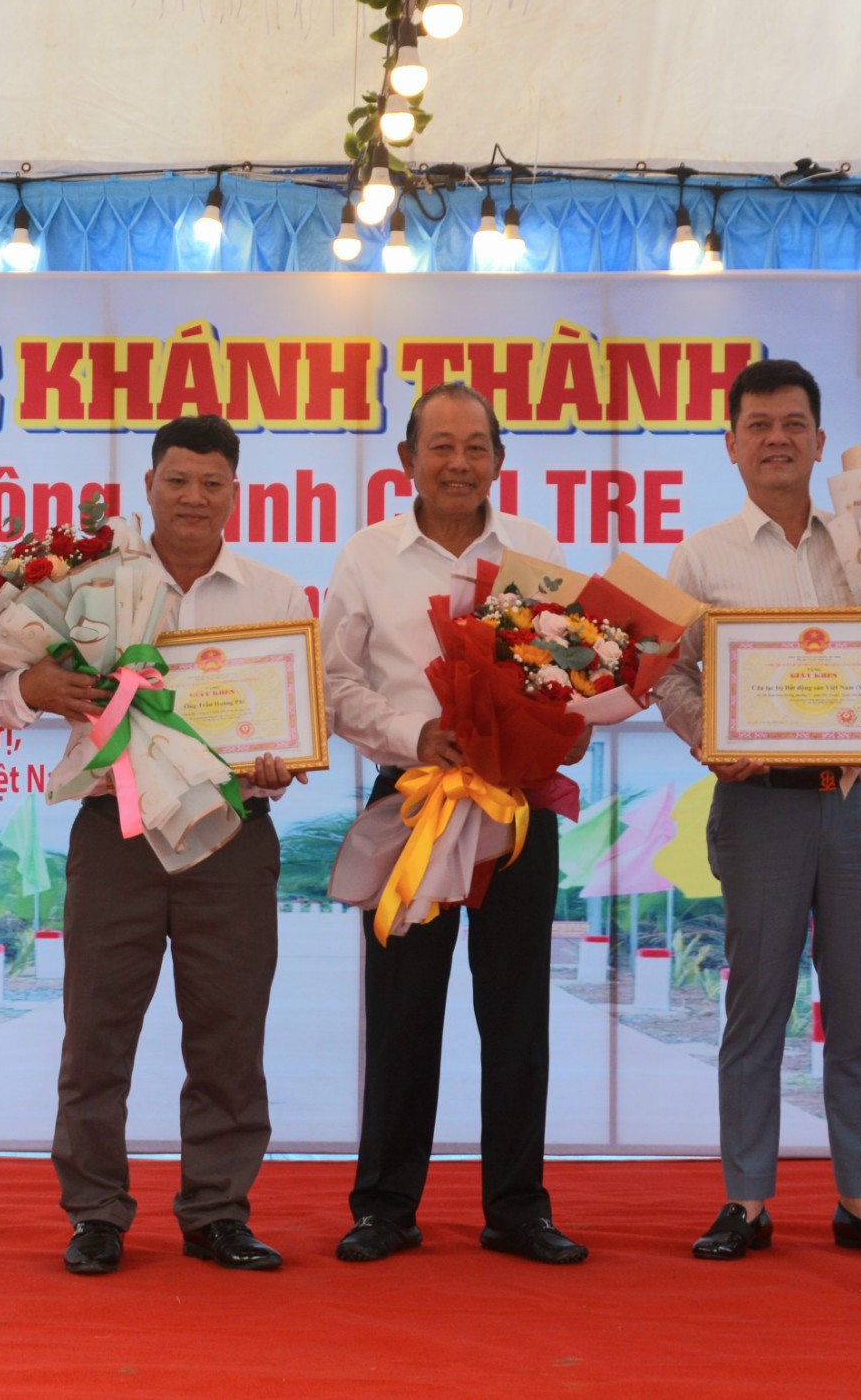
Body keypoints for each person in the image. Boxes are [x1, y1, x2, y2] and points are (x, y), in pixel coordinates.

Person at [651, 357, 861, 1263]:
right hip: (759, 806)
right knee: (755, 1007)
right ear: (731, 444)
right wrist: (708, 735)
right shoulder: (701, 556)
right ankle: (745, 1200)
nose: (776, 439)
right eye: (758, 425)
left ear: (821, 440)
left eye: (793, 424)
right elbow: (667, 673)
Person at [0, 414, 310, 1276]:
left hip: (229, 837)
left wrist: (282, 761)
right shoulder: (91, 584)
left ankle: (218, 1210)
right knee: (96, 1035)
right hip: (115, 832)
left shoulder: (275, 596)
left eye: (211, 483)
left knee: (229, 1037)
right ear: (149, 486)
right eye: (177, 480)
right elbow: (5, 692)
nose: (193, 497)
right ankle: (95, 1213)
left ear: (235, 492)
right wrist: (35, 685)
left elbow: (291, 726)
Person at [319, 382, 587, 1266]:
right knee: (401, 1011)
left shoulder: (538, 553)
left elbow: (571, 670)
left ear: (500, 460)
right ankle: (384, 1205)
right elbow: (334, 683)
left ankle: (517, 1206)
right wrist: (414, 731)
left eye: (476, 446)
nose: (459, 462)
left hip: (514, 804)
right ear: (407, 459)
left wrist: (562, 720)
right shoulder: (368, 555)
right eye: (441, 445)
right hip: (415, 797)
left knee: (516, 1011)